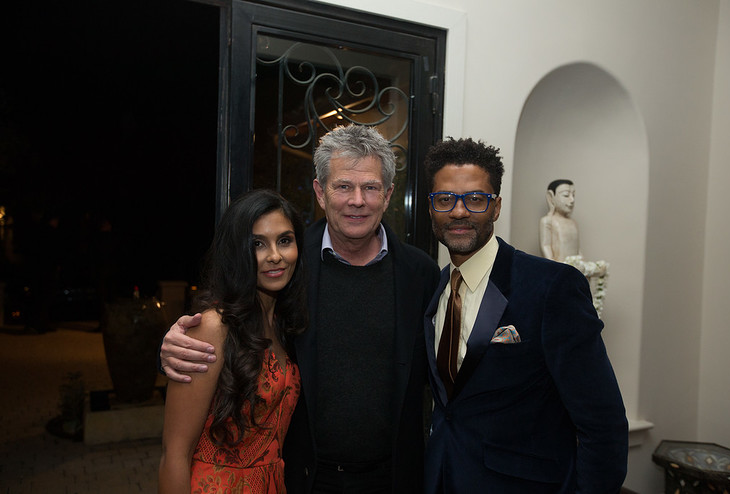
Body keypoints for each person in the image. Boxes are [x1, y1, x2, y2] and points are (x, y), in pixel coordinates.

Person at [159, 125, 440, 493]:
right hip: (304, 479)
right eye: (343, 186)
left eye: (370, 187)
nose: (357, 200)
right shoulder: (290, 266)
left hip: (393, 479)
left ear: (387, 196)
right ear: (320, 192)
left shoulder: (420, 274)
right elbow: (231, 319)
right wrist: (172, 342)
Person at [423, 137, 628, 493]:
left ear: (496, 206)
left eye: (475, 199)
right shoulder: (434, 289)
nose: (458, 212)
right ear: (431, 208)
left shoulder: (553, 287)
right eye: (445, 199)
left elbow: (603, 424)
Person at [158, 189, 308, 493]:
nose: (275, 256)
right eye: (257, 244)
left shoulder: (284, 323)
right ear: (237, 251)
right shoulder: (214, 326)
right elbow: (175, 454)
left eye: (284, 240)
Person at [539, 179, 578, 262]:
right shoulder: (547, 221)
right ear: (551, 197)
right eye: (566, 195)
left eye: (573, 195)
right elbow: (546, 246)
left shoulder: (573, 223)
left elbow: (577, 250)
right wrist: (554, 267)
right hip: (559, 269)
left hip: (575, 269)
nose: (572, 200)